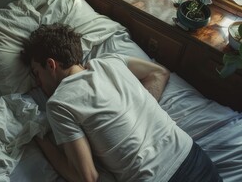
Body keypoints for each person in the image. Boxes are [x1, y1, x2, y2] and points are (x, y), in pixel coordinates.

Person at [21, 23, 222, 182]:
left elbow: (86, 176)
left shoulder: (59, 103)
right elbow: (159, 72)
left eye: (37, 74)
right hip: (194, 157)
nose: (38, 84)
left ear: (50, 64)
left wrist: (39, 138)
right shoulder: (111, 61)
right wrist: (134, 111)